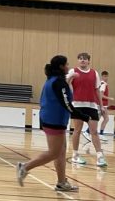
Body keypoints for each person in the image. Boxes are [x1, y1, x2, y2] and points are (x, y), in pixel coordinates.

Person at [17, 55, 81, 192]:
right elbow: (66, 102)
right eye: (67, 64)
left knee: (61, 152)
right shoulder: (57, 82)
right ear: (61, 66)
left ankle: (61, 182)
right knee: (54, 153)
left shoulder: (54, 80)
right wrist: (82, 116)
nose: (68, 67)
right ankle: (25, 167)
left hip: (52, 118)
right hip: (54, 119)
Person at [67, 52, 108, 168]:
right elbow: (65, 84)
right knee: (77, 130)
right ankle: (75, 155)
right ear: (78, 61)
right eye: (80, 59)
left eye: (85, 59)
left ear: (89, 61)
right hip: (77, 106)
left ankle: (100, 157)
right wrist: (70, 78)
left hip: (92, 106)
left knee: (94, 132)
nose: (82, 60)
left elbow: (97, 90)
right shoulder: (73, 71)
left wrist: (101, 105)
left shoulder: (94, 73)